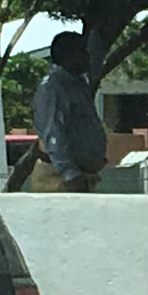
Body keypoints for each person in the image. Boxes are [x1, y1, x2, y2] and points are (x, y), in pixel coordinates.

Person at [31, 31, 108, 192]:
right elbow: (53, 133)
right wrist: (70, 173)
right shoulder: (53, 87)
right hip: (59, 178)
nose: (88, 56)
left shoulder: (77, 84)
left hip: (80, 175)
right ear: (69, 55)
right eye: (83, 51)